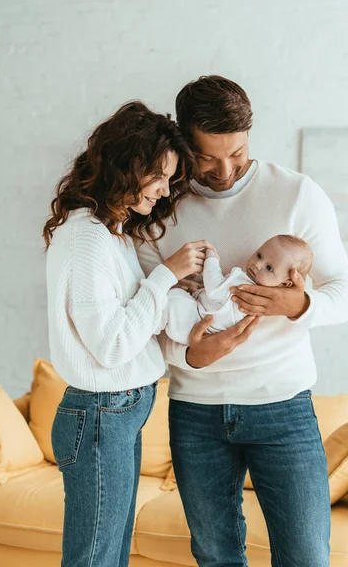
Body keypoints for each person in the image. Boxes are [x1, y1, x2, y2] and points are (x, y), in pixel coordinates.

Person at [136, 76, 348, 567]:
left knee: (306, 557)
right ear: (182, 140)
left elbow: (346, 295)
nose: (224, 170)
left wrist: (296, 306)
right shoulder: (157, 205)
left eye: (236, 153)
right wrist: (190, 355)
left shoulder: (297, 195)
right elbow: (150, 315)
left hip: (283, 407)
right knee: (215, 556)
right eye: (208, 158)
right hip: (195, 411)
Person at [42, 100, 219, 567]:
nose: (164, 191)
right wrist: (163, 277)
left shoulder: (113, 233)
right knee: (95, 559)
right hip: (102, 414)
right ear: (127, 163)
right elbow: (113, 344)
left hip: (119, 411)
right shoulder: (88, 237)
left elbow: (127, 324)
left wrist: (170, 294)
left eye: (169, 179)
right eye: (159, 176)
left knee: (109, 556)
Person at [157, 234, 313, 344]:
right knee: (173, 298)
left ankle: (149, 321)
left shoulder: (247, 290)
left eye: (269, 268)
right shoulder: (255, 293)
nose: (257, 265)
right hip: (195, 321)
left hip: (191, 321)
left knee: (171, 300)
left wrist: (211, 259)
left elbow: (215, 290)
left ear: (286, 283)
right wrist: (199, 292)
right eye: (259, 255)